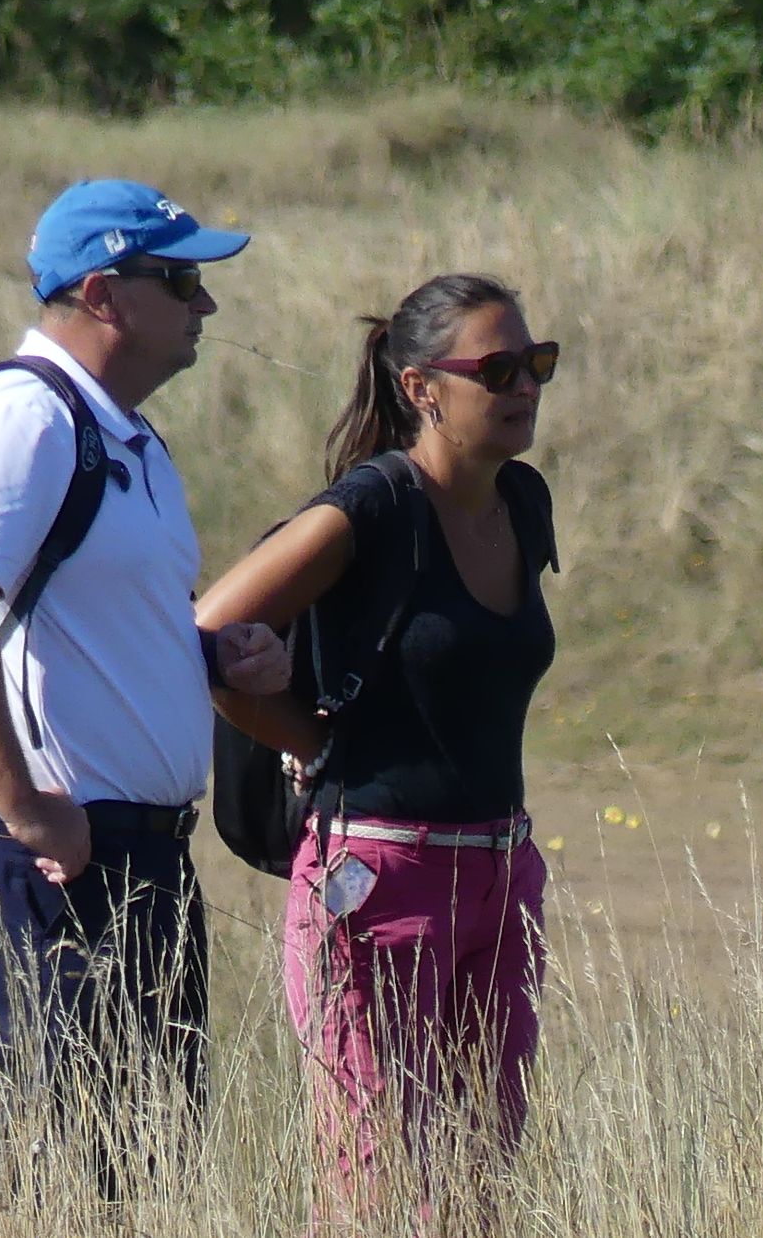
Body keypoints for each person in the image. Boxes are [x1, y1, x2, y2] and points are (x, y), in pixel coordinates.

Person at [0, 179, 288, 1191]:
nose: (207, 304)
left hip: (142, 860)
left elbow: (94, 624)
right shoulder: (23, 415)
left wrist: (213, 658)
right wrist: (28, 809)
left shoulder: (125, 436)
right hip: (53, 860)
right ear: (104, 293)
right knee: (55, 1179)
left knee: (146, 1177)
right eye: (181, 281)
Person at [194, 273, 561, 1222]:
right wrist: (308, 740)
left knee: (484, 1187)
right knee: (378, 1193)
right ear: (421, 388)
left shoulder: (522, 504)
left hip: (502, 878)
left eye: (537, 363)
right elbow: (208, 636)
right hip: (377, 884)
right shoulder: (372, 507)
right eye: (498, 369)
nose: (525, 386)